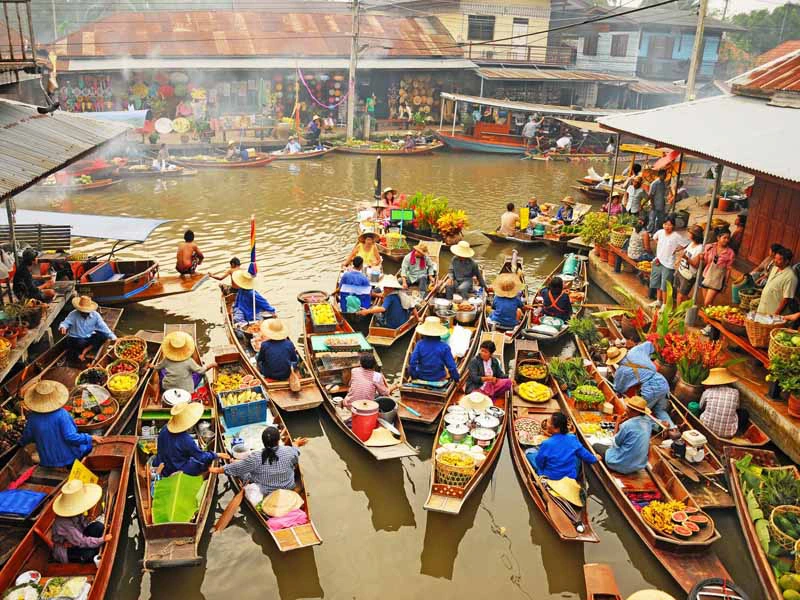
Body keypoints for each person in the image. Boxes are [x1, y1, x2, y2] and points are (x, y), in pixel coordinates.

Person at [209, 426, 307, 506]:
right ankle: (236, 461)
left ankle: (234, 460)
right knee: (241, 465)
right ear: (278, 441)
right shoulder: (289, 451)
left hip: (267, 492)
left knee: (239, 467)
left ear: (263, 442)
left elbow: (235, 469)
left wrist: (214, 469)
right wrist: (296, 444)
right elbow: (295, 452)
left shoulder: (256, 457)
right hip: (288, 487)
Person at [19, 380, 100, 468]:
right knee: (89, 445)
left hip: (47, 461)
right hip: (69, 458)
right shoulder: (62, 414)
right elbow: (71, 437)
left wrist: (20, 443)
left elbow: (27, 437)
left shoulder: (32, 417)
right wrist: (90, 437)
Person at [155, 402, 227, 477]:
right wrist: (216, 454)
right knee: (203, 464)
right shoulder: (185, 439)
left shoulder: (164, 428)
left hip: (163, 463)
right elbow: (202, 457)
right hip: (177, 468)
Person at [610, 342, 673, 426]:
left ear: (615, 361)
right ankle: (673, 428)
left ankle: (659, 426)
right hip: (662, 381)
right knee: (660, 411)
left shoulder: (621, 371)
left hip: (650, 388)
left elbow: (619, 390)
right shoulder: (635, 350)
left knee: (638, 414)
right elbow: (651, 344)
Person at [51, 480, 111, 564]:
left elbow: (84, 525)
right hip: (68, 549)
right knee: (90, 554)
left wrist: (90, 517)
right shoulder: (64, 523)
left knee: (98, 526)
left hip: (77, 538)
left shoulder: (76, 512)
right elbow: (81, 541)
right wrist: (102, 540)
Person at [525, 412, 597, 479]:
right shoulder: (572, 438)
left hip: (551, 476)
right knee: (576, 454)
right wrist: (595, 458)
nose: (546, 424)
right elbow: (586, 455)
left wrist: (541, 472)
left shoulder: (547, 443)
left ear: (556, 429)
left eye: (549, 423)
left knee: (529, 451)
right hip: (570, 476)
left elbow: (539, 462)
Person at [592, 396, 653, 474]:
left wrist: (617, 422)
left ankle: (600, 471)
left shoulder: (627, 425)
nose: (626, 410)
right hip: (638, 465)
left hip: (621, 464)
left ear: (634, 412)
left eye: (628, 408)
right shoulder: (648, 423)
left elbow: (616, 442)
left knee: (596, 446)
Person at [59, 295, 117, 362]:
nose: (84, 313)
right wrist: (63, 327)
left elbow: (104, 327)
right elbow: (65, 323)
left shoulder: (96, 315)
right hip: (76, 339)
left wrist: (114, 338)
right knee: (79, 342)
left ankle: (85, 350)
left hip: (88, 337)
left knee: (103, 336)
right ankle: (81, 352)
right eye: (82, 311)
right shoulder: (73, 314)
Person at [649, 216, 687, 308]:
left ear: (673, 226)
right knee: (657, 283)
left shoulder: (676, 236)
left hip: (668, 263)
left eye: (670, 225)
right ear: (663, 224)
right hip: (658, 260)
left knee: (665, 285)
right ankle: (658, 300)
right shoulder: (660, 232)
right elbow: (654, 238)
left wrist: (677, 249)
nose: (667, 227)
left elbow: (686, 244)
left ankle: (665, 305)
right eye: (665, 224)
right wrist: (659, 244)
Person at [699, 368, 746, 438]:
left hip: (707, 427)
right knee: (744, 413)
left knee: (701, 409)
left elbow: (700, 407)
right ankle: (739, 434)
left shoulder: (707, 392)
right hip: (729, 433)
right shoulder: (735, 392)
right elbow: (737, 407)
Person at [408, 316, 459, 383]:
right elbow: (452, 367)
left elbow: (412, 363)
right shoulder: (444, 347)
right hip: (438, 377)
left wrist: (414, 377)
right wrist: (456, 379)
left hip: (421, 376)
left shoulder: (419, 345)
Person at [699, 228, 735, 308]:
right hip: (705, 276)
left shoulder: (730, 253)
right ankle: (708, 318)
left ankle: (708, 317)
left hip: (717, 280)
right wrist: (701, 258)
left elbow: (728, 269)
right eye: (724, 238)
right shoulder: (709, 247)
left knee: (707, 302)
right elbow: (705, 262)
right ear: (718, 238)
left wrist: (725, 284)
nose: (726, 240)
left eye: (728, 238)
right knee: (707, 304)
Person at [756, 246, 798, 315]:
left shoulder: (791, 277)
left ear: (787, 261)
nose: (775, 260)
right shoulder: (775, 268)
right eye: (775, 258)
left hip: (772, 312)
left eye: (779, 259)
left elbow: (786, 299)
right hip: (762, 307)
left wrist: (776, 313)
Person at [674, 225, 704, 304]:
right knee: (680, 293)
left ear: (695, 235)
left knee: (680, 296)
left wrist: (686, 258)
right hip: (681, 271)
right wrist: (679, 259)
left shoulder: (700, 248)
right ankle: (687, 308)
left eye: (689, 233)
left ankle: (678, 314)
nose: (688, 234)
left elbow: (696, 265)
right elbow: (685, 252)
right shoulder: (691, 243)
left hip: (688, 275)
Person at [647, 169, 668, 234]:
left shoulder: (664, 183)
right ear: (659, 175)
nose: (665, 176)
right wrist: (652, 205)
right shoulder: (654, 183)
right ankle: (649, 232)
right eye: (663, 175)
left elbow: (663, 195)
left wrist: (664, 203)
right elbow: (651, 195)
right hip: (654, 205)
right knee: (652, 220)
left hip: (661, 204)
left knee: (661, 220)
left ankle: (658, 232)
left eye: (665, 175)